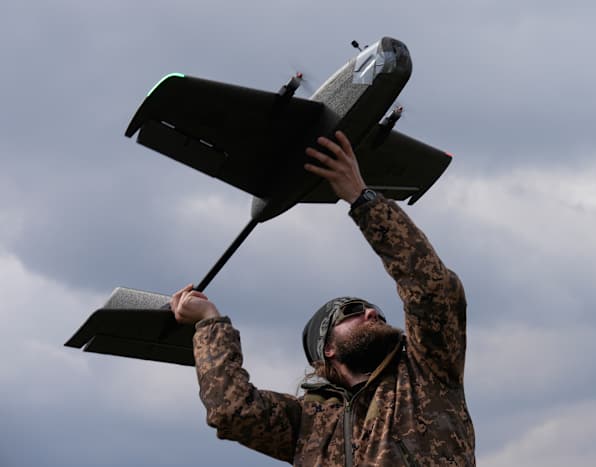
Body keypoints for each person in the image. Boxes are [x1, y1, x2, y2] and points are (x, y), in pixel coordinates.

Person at [170, 131, 475, 466]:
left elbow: (432, 289)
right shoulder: (306, 423)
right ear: (327, 348)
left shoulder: (426, 371)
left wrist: (362, 198)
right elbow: (232, 412)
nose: (372, 313)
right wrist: (209, 323)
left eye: (375, 312)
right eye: (353, 311)